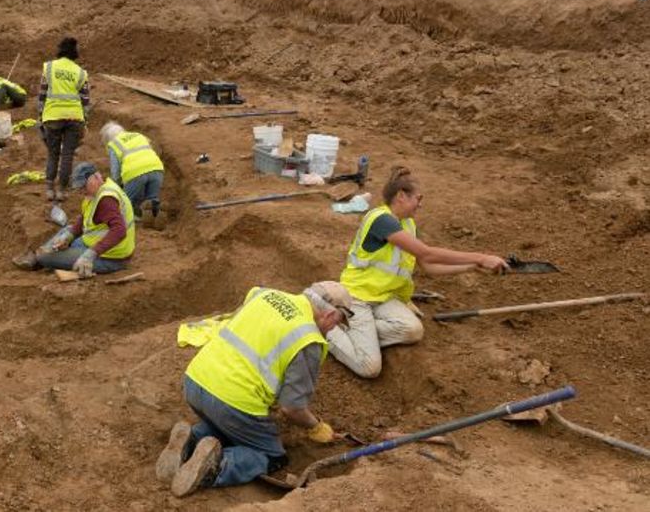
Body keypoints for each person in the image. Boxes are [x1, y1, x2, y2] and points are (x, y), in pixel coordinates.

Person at [157, 282, 351, 497]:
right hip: (233, 404)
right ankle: (215, 468)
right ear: (331, 314)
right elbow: (291, 408)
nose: (333, 329)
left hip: (196, 382)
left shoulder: (264, 294)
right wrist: (316, 427)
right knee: (272, 456)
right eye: (338, 323)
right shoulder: (308, 339)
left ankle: (191, 440)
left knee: (232, 428)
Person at [328, 166, 510, 378]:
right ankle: (329, 330)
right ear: (401, 196)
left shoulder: (408, 225)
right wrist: (481, 257)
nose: (421, 204)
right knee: (369, 368)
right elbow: (427, 254)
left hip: (383, 298)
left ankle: (356, 331)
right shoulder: (381, 219)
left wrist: (472, 267)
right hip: (357, 297)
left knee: (412, 330)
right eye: (418, 198)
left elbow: (428, 266)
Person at [12, 162, 134, 277]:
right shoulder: (99, 190)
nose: (81, 191)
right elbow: (84, 219)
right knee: (68, 231)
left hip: (111, 257)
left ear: (96, 177)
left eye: (83, 186)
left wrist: (90, 255)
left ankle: (41, 259)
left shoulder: (106, 199)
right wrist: (68, 237)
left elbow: (119, 230)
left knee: (46, 257)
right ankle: (41, 255)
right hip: (97, 244)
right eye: (79, 188)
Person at [39, 37, 90, 202]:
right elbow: (85, 100)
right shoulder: (81, 72)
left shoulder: (49, 67)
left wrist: (40, 115)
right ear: (75, 52)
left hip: (52, 116)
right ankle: (61, 191)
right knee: (67, 155)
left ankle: (49, 189)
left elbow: (42, 94)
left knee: (53, 154)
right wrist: (85, 121)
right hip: (74, 117)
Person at [100, 121, 165, 221]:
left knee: (126, 202)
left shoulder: (114, 144)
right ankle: (154, 214)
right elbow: (153, 150)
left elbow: (115, 171)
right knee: (152, 198)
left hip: (134, 173)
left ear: (108, 139)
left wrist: (118, 186)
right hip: (156, 168)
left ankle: (134, 217)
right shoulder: (139, 135)